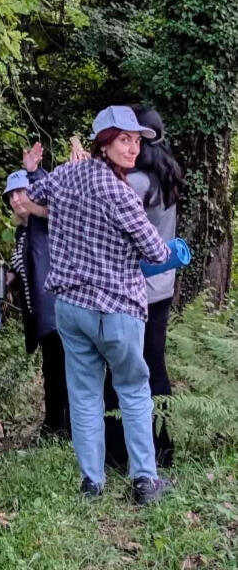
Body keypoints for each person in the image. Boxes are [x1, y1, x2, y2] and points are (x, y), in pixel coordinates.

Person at [25, 106, 172, 504]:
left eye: (136, 141)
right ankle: (144, 481)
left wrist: (45, 172)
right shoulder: (120, 193)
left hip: (71, 308)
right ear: (103, 143)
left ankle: (92, 483)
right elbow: (156, 251)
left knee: (85, 394)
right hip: (116, 309)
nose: (133, 148)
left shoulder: (65, 175)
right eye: (124, 140)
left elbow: (32, 195)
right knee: (133, 390)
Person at [104, 105, 182, 470]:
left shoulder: (134, 183)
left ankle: (119, 452)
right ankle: (163, 446)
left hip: (133, 288)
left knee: (122, 370)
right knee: (155, 366)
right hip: (162, 285)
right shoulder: (167, 175)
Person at [4, 141, 70, 439]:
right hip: (41, 315)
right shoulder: (22, 231)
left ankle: (61, 428)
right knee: (52, 369)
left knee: (60, 371)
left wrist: (33, 171)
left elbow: (51, 195)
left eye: (22, 192)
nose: (17, 199)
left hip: (57, 311)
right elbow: (25, 268)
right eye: (12, 195)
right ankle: (54, 426)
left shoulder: (46, 224)